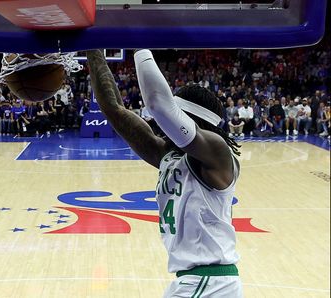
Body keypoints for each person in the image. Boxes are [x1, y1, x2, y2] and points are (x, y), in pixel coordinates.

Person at [87, 49, 242, 298]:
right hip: (197, 283)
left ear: (189, 119)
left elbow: (159, 104)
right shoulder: (168, 155)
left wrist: (139, 45)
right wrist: (94, 51)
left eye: (173, 118)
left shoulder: (216, 152)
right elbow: (115, 110)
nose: (160, 125)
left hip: (210, 283)